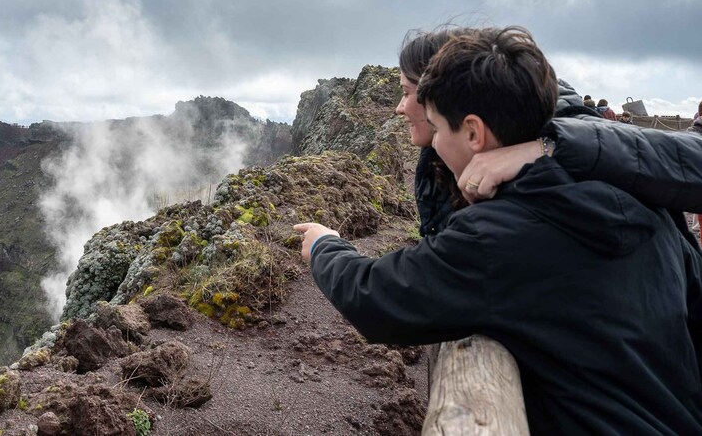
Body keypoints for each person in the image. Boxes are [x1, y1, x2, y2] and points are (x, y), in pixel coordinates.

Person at [296, 27, 702, 434]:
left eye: (437, 128)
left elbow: (378, 296)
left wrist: (325, 246)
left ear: (473, 132)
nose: (433, 141)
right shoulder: (627, 185)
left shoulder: (500, 235)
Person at [396, 27, 702, 248]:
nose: (399, 107)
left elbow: (691, 161)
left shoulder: (558, 118)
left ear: (442, 91)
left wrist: (551, 145)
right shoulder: (437, 158)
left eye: (407, 92)